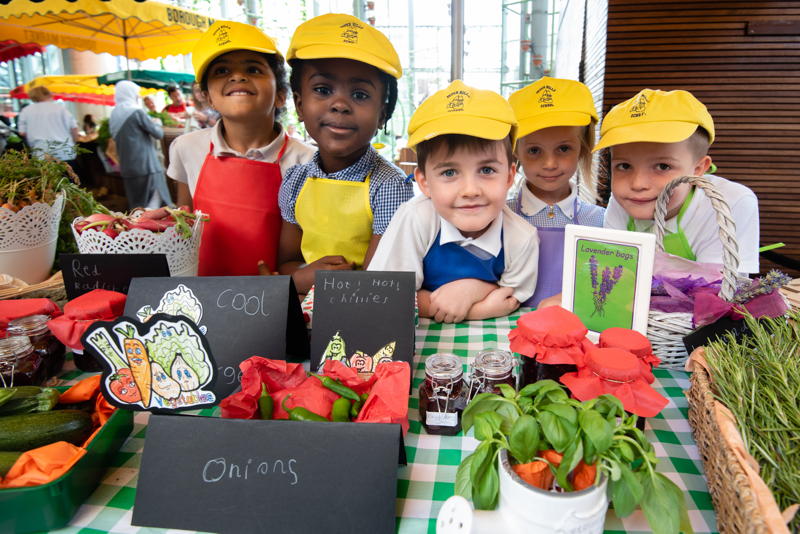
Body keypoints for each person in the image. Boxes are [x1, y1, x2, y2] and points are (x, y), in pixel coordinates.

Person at [369, 80, 540, 323]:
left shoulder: (522, 238)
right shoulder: (415, 218)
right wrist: (474, 308)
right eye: (449, 173)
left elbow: (509, 299)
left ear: (510, 176)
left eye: (487, 170)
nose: (470, 190)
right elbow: (385, 292)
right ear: (424, 182)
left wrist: (472, 288)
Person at [278, 13, 413, 294]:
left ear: (382, 115)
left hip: (360, 315)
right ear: (300, 105)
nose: (339, 104)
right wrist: (301, 278)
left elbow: (379, 281)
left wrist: (309, 279)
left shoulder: (389, 186)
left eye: (360, 95)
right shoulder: (294, 181)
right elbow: (288, 263)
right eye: (323, 90)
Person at [167, 20, 314, 276]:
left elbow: (312, 244)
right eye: (222, 71)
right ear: (207, 97)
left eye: (254, 69)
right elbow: (184, 221)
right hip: (200, 292)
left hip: (277, 297)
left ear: (280, 94)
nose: (237, 76)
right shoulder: (185, 147)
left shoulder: (308, 161)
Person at [599, 88, 760, 273]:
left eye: (663, 167)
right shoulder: (622, 202)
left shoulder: (729, 204)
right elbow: (612, 276)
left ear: (698, 170)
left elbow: (719, 292)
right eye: (624, 166)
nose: (637, 184)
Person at [507, 77, 605, 308]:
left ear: (583, 148)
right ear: (515, 152)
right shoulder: (500, 216)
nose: (549, 163)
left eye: (563, 148)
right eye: (534, 150)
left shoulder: (601, 222)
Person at [110, 80, 173, 209]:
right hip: (146, 165)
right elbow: (158, 133)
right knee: (156, 205)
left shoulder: (114, 114)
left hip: (128, 167)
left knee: (137, 206)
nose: (137, 96)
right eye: (135, 93)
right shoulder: (135, 111)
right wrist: (156, 122)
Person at [16, 86, 79, 166]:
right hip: (65, 151)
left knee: (49, 178)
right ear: (48, 93)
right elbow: (74, 128)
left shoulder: (26, 111)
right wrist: (74, 142)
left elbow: (22, 133)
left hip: (41, 153)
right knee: (70, 176)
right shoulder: (60, 108)